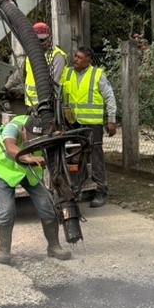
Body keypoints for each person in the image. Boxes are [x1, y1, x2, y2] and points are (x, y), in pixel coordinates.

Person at [0, 113, 72, 264]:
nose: (33, 141)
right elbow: (10, 147)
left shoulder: (46, 130)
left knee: (47, 206)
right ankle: (4, 250)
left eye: (37, 138)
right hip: (4, 171)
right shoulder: (13, 127)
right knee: (7, 210)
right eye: (30, 137)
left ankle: (54, 246)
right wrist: (28, 158)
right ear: (24, 131)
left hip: (29, 172)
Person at [60, 46, 117, 208]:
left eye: (79, 57)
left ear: (88, 60)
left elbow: (110, 97)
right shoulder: (67, 73)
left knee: (96, 157)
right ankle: (79, 188)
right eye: (75, 56)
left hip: (93, 124)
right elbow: (61, 97)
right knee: (76, 156)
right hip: (73, 123)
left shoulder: (97, 75)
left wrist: (111, 120)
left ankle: (101, 190)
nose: (75, 59)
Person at [5, 21, 67, 110]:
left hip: (47, 107)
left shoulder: (57, 56)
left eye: (42, 40)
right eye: (36, 40)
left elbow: (54, 84)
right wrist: (6, 87)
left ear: (50, 38)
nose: (39, 43)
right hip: (31, 106)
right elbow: (20, 74)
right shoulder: (31, 55)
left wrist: (40, 104)